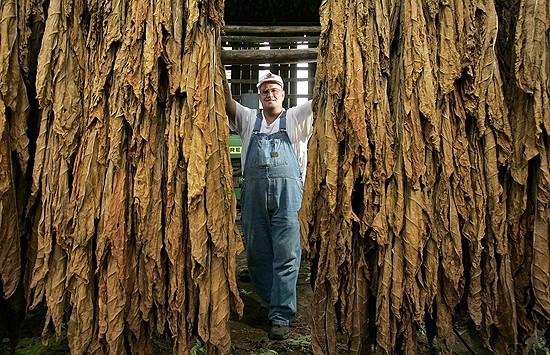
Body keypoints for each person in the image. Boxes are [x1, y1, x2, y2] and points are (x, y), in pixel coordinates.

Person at [224, 72, 313, 340]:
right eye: (265, 91)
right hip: (254, 194)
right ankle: (267, 302)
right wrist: (219, 72)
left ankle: (281, 315)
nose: (269, 94)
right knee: (257, 252)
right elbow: (227, 103)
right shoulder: (250, 119)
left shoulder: (296, 117)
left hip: (289, 195)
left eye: (274, 90)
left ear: (283, 94)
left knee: (286, 253)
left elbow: (320, 101)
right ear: (259, 96)